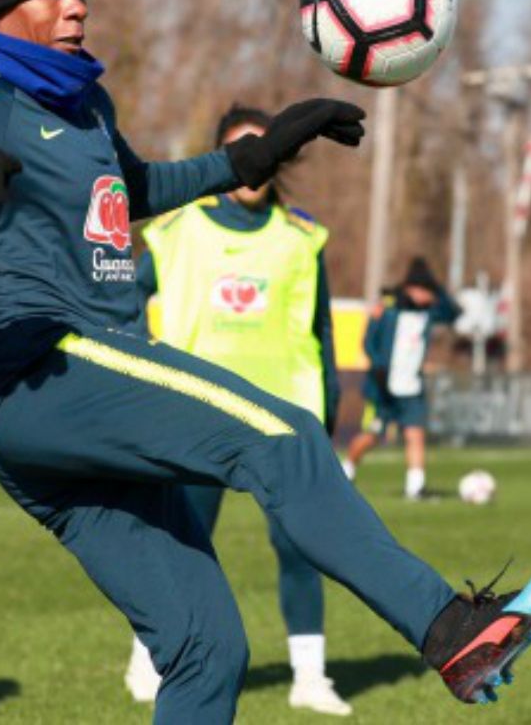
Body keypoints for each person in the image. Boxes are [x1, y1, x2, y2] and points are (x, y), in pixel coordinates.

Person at [0, 0, 531, 725]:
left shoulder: (85, 106)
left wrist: (251, 159)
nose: (77, 3)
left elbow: (128, 198)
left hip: (60, 408)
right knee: (281, 436)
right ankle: (448, 629)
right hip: (38, 372)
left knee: (207, 651)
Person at [123, 104, 350, 716]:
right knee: (185, 545)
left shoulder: (303, 238)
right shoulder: (177, 231)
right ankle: (151, 655)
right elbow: (124, 301)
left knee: (302, 545)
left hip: (284, 419)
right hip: (197, 417)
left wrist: (326, 421)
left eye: (263, 149)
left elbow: (321, 332)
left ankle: (310, 675)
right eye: (238, 150)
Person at [342, 258, 460, 499]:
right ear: (408, 289)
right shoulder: (387, 310)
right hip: (383, 387)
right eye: (419, 290)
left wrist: (438, 291)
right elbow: (368, 342)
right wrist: (378, 369)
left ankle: (415, 487)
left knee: (414, 433)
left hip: (412, 387)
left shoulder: (429, 313)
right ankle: (346, 471)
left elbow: (453, 313)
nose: (423, 296)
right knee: (372, 436)